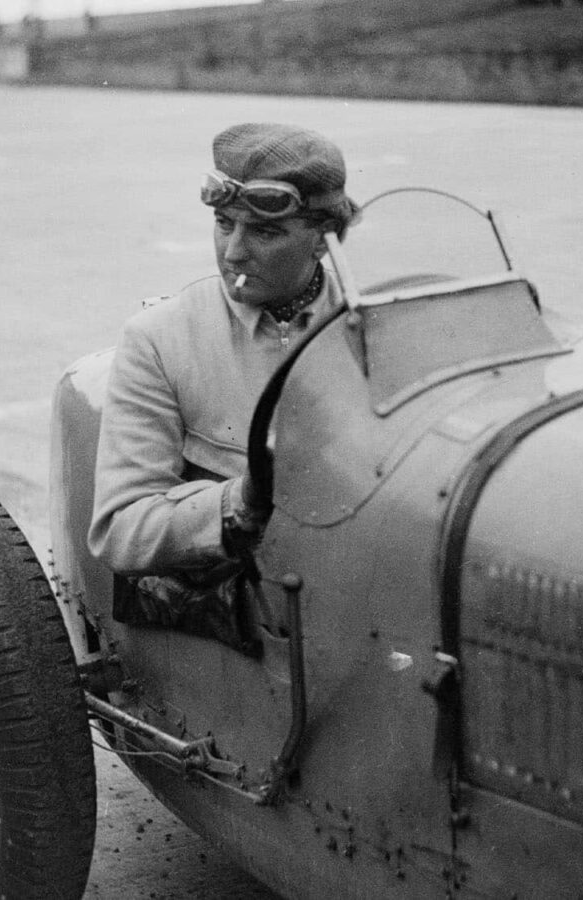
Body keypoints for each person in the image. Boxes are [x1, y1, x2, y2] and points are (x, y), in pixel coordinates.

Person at [88, 122, 358, 635]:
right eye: (223, 223)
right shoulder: (159, 339)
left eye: (264, 231)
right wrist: (240, 503)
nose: (232, 252)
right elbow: (118, 531)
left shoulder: (369, 323)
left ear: (325, 241)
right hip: (245, 616)